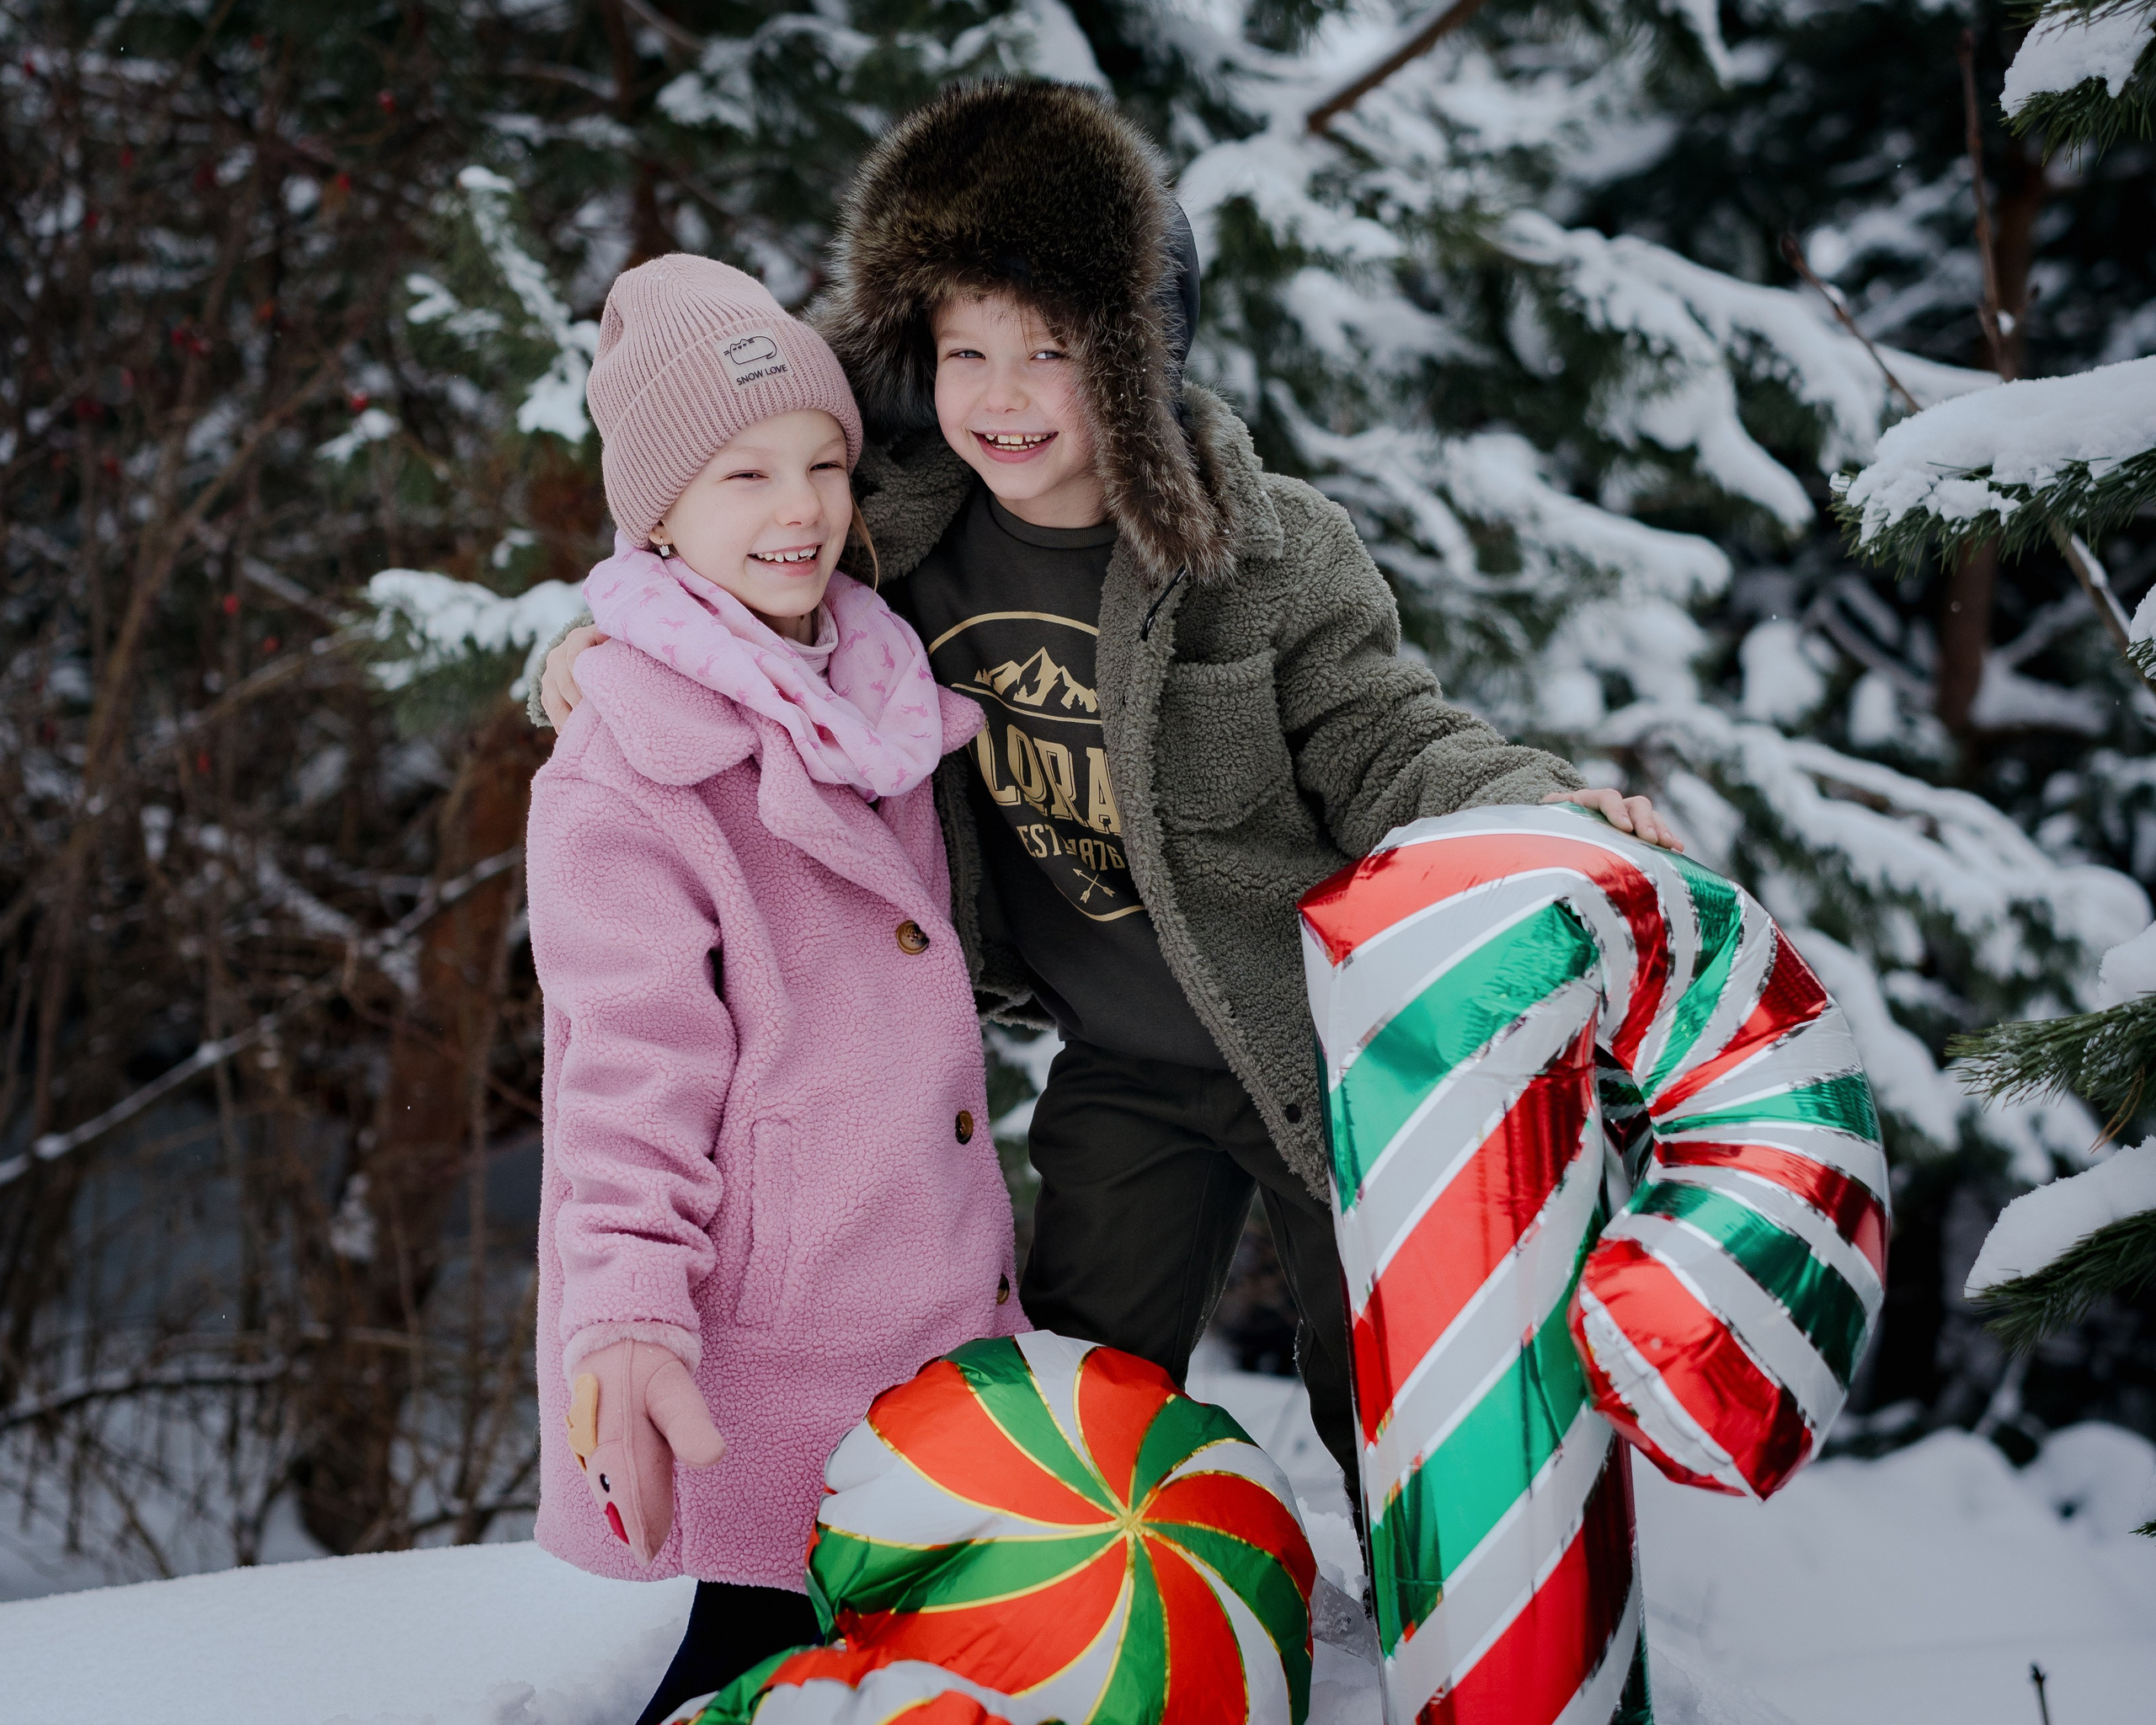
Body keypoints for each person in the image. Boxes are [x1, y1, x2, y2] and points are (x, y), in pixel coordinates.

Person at [536, 83, 1680, 1524]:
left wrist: (1542, 810)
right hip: (1122, 1067)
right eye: (966, 355)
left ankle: (1447, 1621)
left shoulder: (1263, 554)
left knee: (1390, 1395)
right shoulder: (895, 537)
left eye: (1053, 353)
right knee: (1069, 1393)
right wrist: (590, 647)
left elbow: (1390, 737)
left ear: (1136, 365)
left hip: (1327, 1053)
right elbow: (715, 566)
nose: (1003, 398)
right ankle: (1071, 1631)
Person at [525, 253, 1022, 1725]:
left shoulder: (871, 688)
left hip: (926, 1290)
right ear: (658, 518)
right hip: (771, 1334)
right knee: (754, 1664)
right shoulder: (630, 764)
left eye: (821, 466)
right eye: (741, 476)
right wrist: (622, 1316)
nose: (799, 511)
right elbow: (625, 1069)